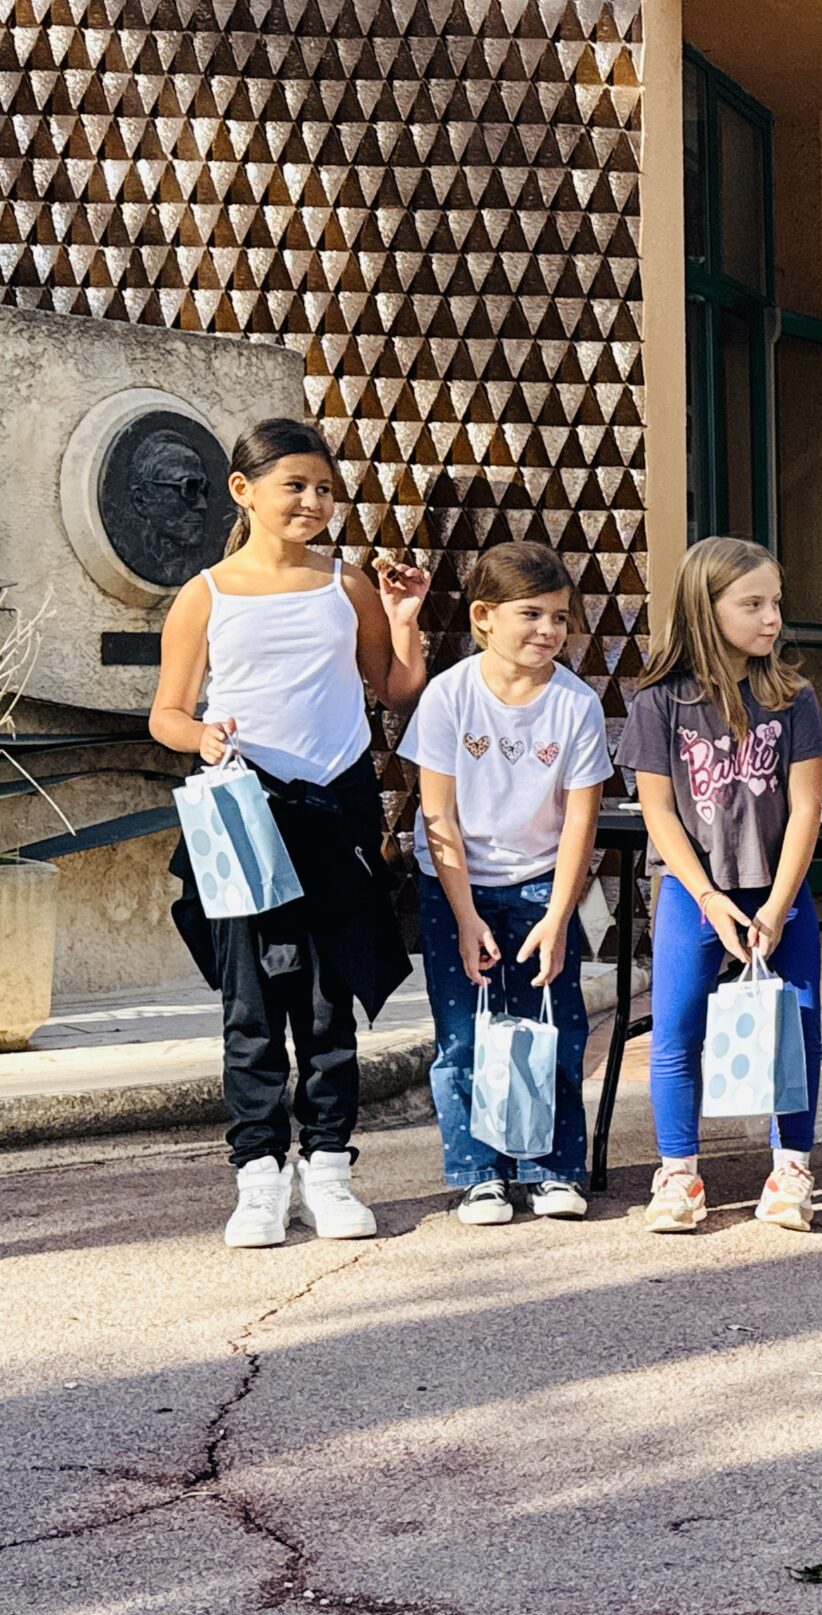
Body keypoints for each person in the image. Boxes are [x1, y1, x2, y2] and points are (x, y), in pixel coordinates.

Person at [148, 416, 427, 1248]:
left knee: (328, 999)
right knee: (251, 1005)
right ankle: (259, 1177)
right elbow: (166, 713)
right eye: (294, 485)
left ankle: (330, 1170)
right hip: (246, 812)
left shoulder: (348, 584)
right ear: (244, 490)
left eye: (324, 488)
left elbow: (395, 690)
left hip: (337, 805)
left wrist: (405, 615)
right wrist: (202, 736)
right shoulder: (206, 594)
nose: (312, 501)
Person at [619, 536, 822, 1234]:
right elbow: (658, 812)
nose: (772, 618)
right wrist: (710, 900)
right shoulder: (659, 701)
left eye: (776, 602)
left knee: (795, 1026)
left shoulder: (794, 697)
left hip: (778, 892)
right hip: (693, 892)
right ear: (705, 609)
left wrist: (776, 904)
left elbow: (806, 807)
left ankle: (791, 1169)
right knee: (676, 1029)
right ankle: (679, 1173)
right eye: (753, 604)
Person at [401, 541, 613, 1225]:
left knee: (554, 1027)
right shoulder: (448, 695)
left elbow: (580, 819)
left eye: (560, 617)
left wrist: (560, 914)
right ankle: (479, 1173)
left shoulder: (576, 705)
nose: (549, 631)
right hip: (455, 886)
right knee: (465, 1034)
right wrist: (466, 916)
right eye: (532, 614)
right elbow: (438, 814)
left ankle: (552, 1168)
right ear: (484, 616)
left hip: (540, 882)